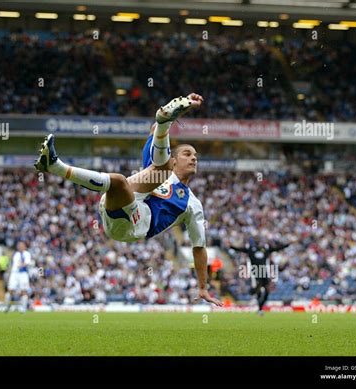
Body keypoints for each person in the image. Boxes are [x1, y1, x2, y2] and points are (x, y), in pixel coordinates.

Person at [34, 94, 222, 306]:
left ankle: (55, 166)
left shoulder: (192, 204)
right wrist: (172, 114)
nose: (194, 158)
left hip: (133, 226)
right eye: (188, 153)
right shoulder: (162, 168)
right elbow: (155, 135)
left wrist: (203, 287)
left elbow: (199, 247)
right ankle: (164, 119)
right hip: (119, 202)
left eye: (195, 155)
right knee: (136, 175)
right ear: (175, 159)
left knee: (125, 179)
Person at [230, 237, 294, 314]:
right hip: (255, 272)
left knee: (266, 291)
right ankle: (253, 293)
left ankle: (260, 307)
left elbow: (276, 248)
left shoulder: (265, 249)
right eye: (257, 241)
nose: (258, 243)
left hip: (264, 272)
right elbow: (240, 249)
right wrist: (231, 246)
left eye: (259, 241)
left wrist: (287, 244)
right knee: (258, 288)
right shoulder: (251, 249)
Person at [5, 241, 32, 313]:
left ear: (24, 246)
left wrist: (22, 265)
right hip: (14, 273)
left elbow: (27, 262)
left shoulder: (27, 254)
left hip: (23, 274)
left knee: (24, 291)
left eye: (21, 245)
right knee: (10, 290)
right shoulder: (15, 254)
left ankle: (23, 309)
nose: (20, 246)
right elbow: (13, 264)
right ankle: (6, 307)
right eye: (19, 245)